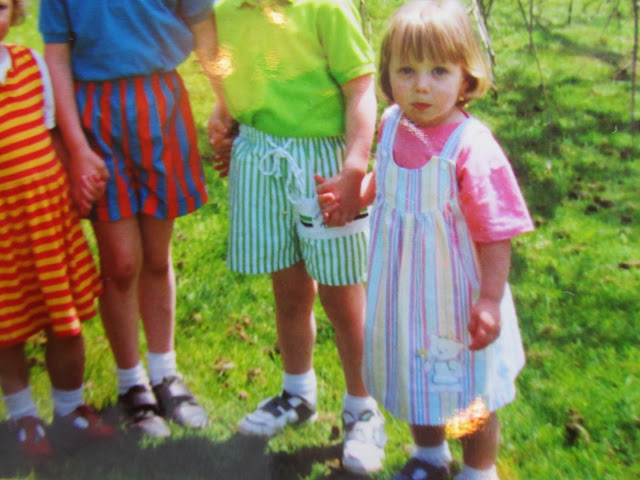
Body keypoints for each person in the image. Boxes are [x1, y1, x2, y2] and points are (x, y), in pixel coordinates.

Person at [317, 1, 535, 479]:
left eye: (439, 71)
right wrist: (358, 194)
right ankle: (429, 456)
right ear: (387, 75)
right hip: (402, 294)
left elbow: (496, 234)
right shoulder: (393, 123)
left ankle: (478, 470)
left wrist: (490, 300)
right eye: (407, 70)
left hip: (456, 300)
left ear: (466, 77)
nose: (421, 85)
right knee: (415, 376)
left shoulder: (471, 147)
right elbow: (387, 177)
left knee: (468, 393)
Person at [208, 0, 386, 474]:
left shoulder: (326, 8)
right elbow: (235, 79)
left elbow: (360, 89)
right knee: (288, 291)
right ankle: (297, 393)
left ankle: (362, 407)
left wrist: (355, 166)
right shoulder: (226, 13)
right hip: (260, 159)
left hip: (325, 168)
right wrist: (223, 117)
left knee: (342, 295)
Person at [38, 1, 218, 438]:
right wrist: (77, 148)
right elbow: (57, 58)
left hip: (161, 106)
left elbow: (206, 31)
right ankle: (130, 382)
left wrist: (225, 103)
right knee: (120, 264)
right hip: (95, 115)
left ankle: (165, 373)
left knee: (156, 257)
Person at [0, 0, 115, 459]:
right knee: (6, 328)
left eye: (1, 6)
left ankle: (70, 408)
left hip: (47, 220)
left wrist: (77, 194)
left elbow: (53, 136)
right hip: (3, 231)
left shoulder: (30, 65)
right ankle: (23, 415)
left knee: (64, 323)